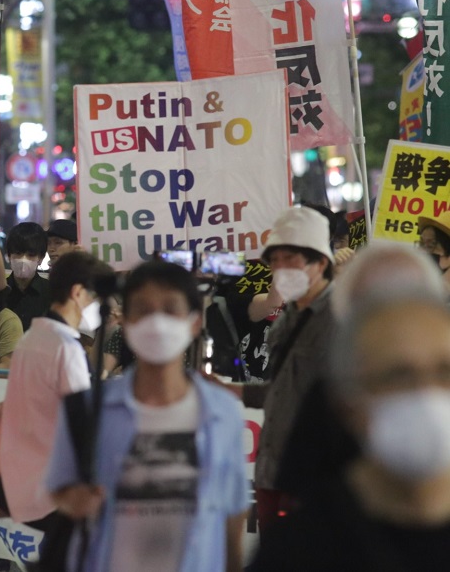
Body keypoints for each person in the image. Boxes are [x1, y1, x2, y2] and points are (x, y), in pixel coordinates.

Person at [46, 260, 248, 572]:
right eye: (143, 309)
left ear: (194, 322)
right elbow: (60, 489)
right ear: (125, 322)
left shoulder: (223, 412)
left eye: (170, 309)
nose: (157, 321)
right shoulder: (86, 410)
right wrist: (76, 500)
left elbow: (232, 515)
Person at [250, 287, 450, 571]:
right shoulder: (299, 548)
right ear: (349, 402)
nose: (426, 393)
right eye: (398, 375)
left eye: (445, 371)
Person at [222, 206, 337, 535]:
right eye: (275, 260)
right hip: (272, 472)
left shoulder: (342, 316)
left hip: (314, 477)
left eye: (292, 259)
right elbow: (281, 389)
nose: (281, 268)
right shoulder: (286, 320)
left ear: (320, 262)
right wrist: (232, 390)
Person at [0, 251, 114, 528]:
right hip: (57, 488)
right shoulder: (66, 348)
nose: (100, 307)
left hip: (25, 480)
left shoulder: (31, 338)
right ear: (78, 293)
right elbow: (81, 424)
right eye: (96, 298)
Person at [3, 222, 51, 331]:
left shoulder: (52, 293)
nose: (23, 259)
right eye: (18, 253)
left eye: (31, 255)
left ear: (41, 258)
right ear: (9, 255)